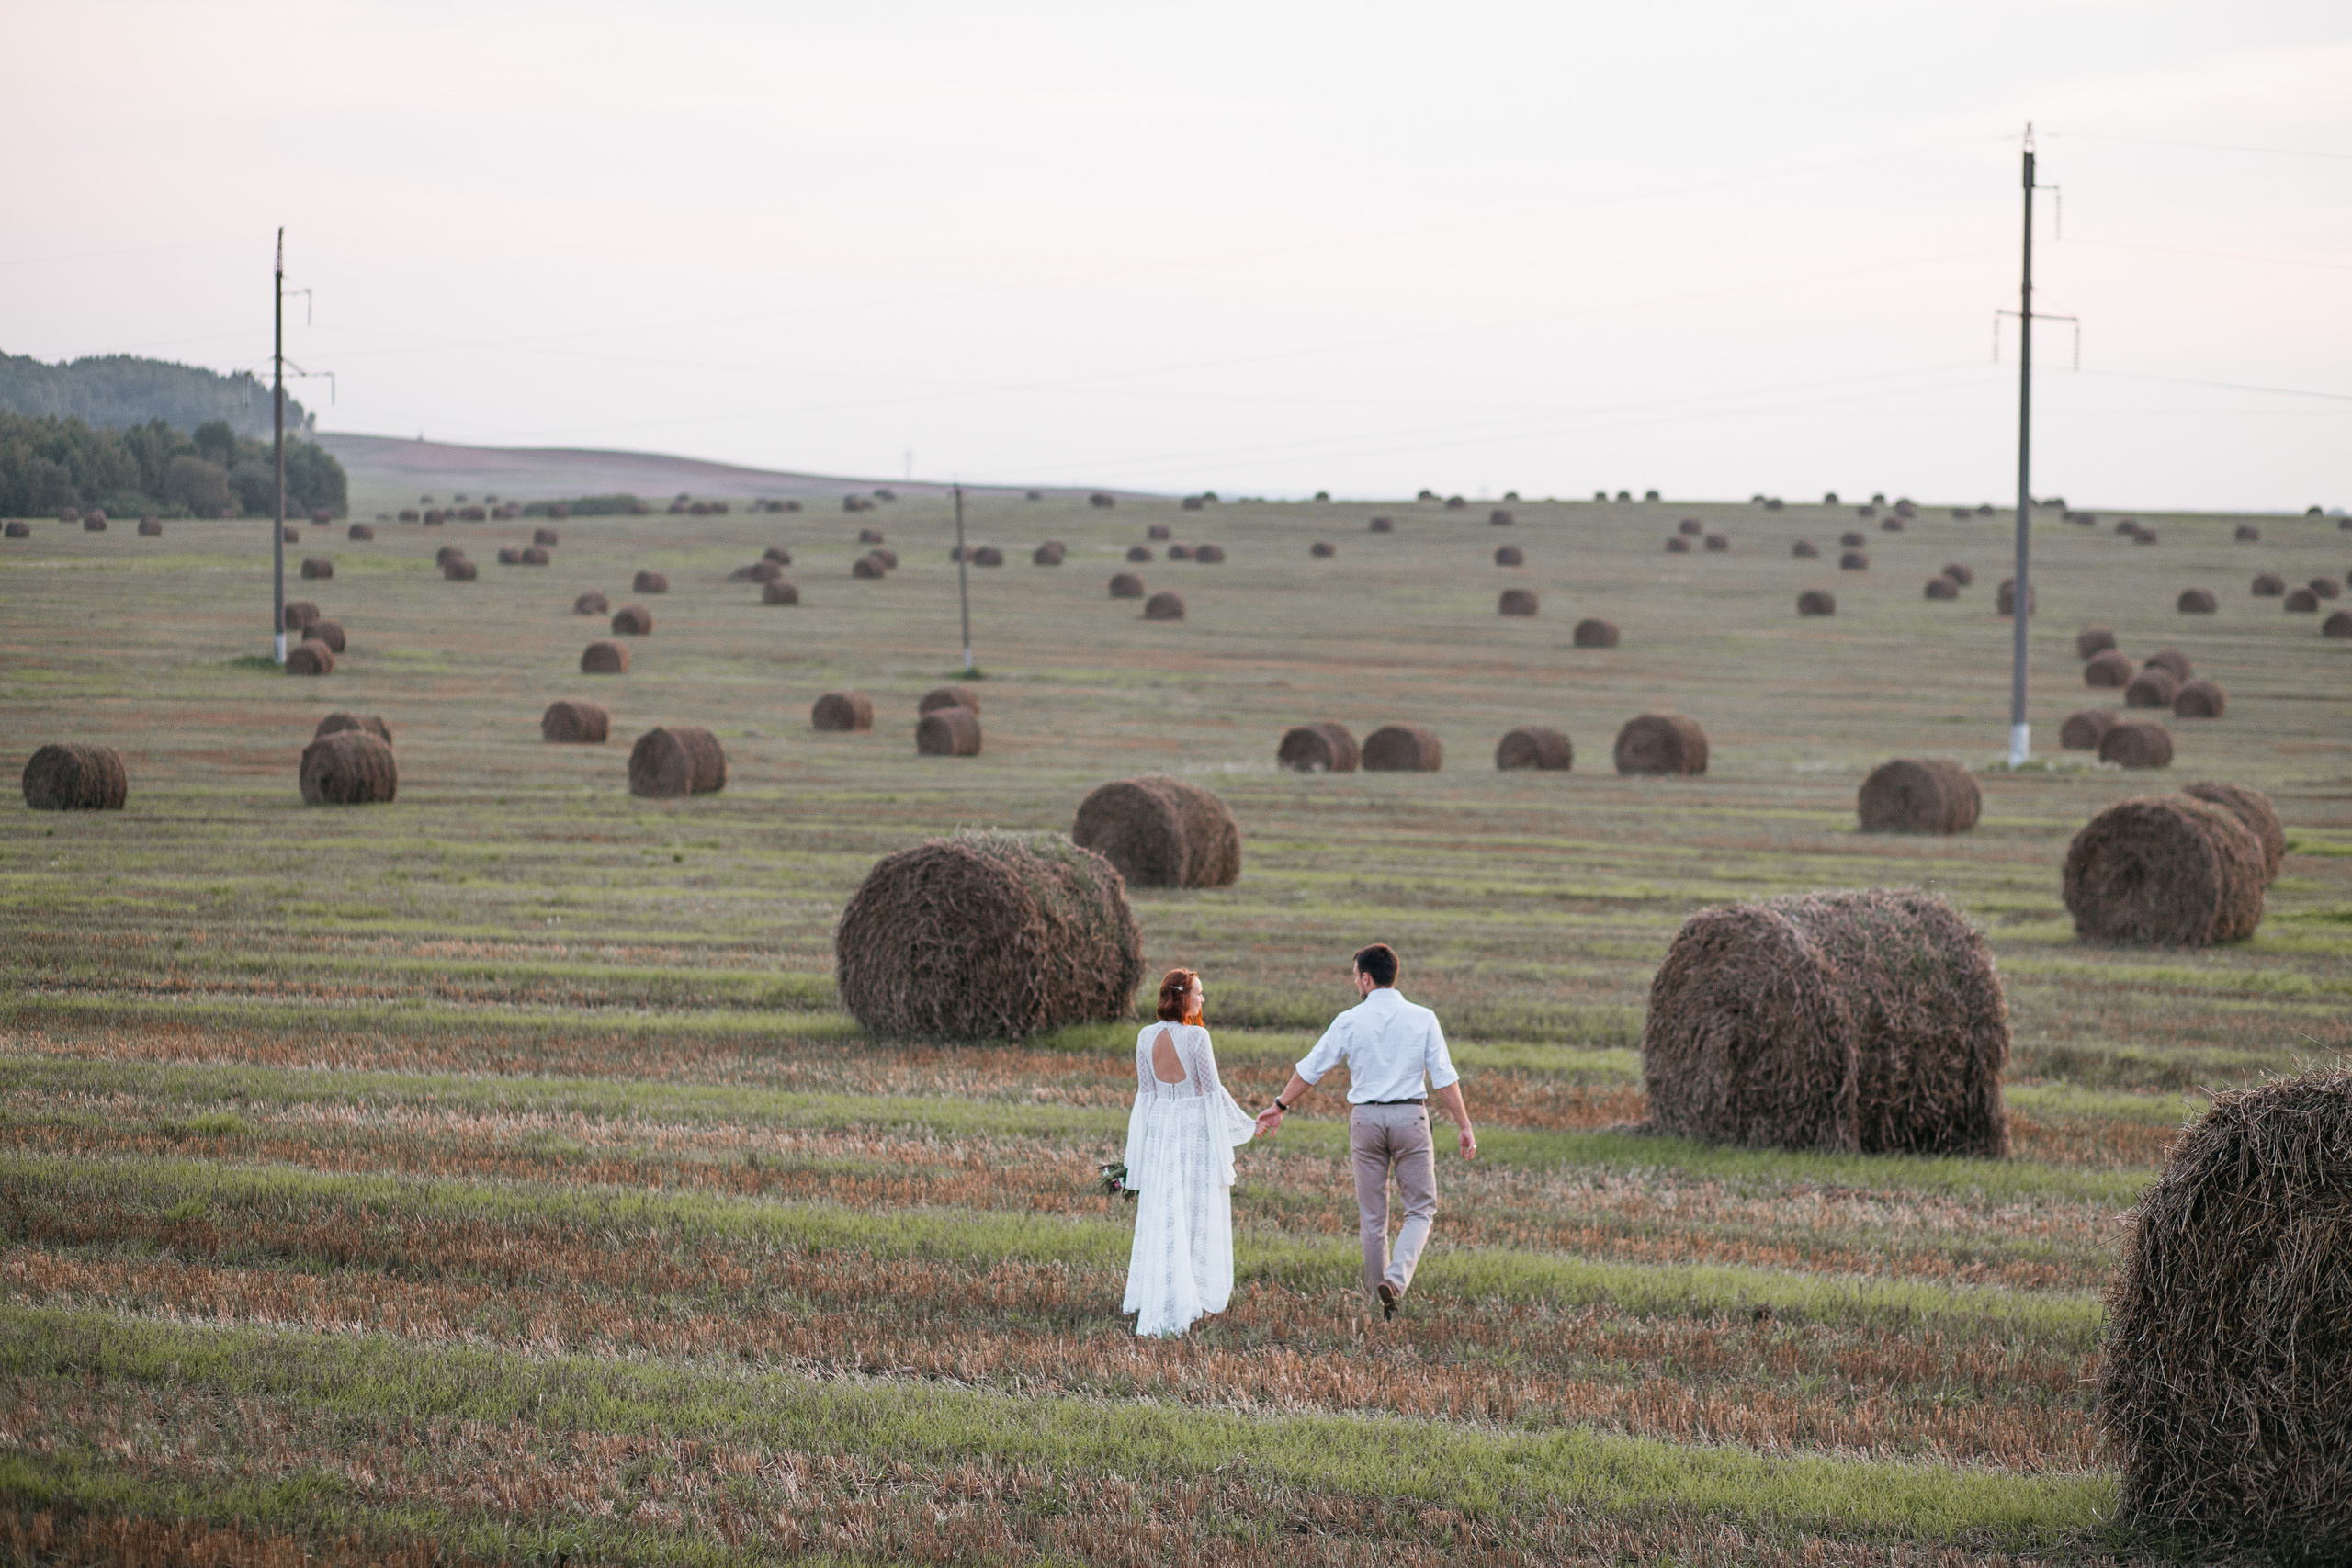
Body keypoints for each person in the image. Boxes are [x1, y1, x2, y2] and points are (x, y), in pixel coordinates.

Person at [1254, 942, 1475, 1320]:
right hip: (1410, 1118)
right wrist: (1464, 1124)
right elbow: (1443, 1077)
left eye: (1355, 975)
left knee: (1373, 1218)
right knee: (1421, 1209)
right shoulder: (1423, 1017)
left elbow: (1312, 1068)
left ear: (1367, 978)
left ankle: (1379, 1305)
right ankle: (1396, 1280)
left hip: (1366, 1121)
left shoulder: (1349, 1019)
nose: (1355, 981)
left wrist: (1279, 1105)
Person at [1121, 967, 1256, 1337]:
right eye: (1198, 993)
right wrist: (1246, 1124)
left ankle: (1165, 1293)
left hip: (1162, 1129)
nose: (1202, 1000)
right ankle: (1188, 1294)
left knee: (1165, 1209)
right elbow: (1211, 1092)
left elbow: (1145, 1095)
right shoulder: (1198, 1038)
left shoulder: (1145, 1036)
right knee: (1194, 1209)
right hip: (1192, 1130)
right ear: (1183, 998)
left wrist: (1141, 1147)